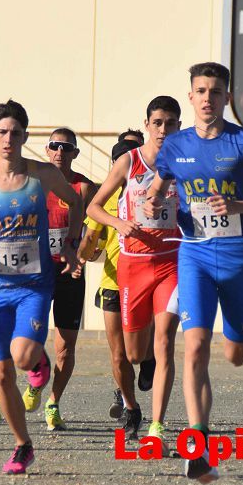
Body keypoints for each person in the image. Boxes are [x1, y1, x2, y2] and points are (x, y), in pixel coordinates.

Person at [144, 62, 243, 482]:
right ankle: (198, 442)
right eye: (201, 91)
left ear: (228, 97)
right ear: (190, 97)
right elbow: (160, 183)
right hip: (194, 256)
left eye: (215, 91)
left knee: (236, 352)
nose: (207, 98)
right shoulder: (175, 146)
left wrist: (240, 206)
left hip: (240, 257)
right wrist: (155, 200)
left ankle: (242, 339)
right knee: (193, 348)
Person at [0, 99, 82, 473]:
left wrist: (72, 245)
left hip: (34, 286)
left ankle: (39, 360)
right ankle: (22, 445)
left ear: (25, 136)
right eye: (2, 132)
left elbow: (75, 202)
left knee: (24, 357)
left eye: (16, 132)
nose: (9, 138)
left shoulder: (42, 176)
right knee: (0, 373)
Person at [87, 96, 184, 441]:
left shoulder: (185, 161)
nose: (162, 129)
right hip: (133, 264)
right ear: (147, 125)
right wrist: (117, 223)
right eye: (157, 123)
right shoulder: (130, 162)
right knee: (132, 353)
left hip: (171, 262)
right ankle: (133, 407)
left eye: (170, 123)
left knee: (164, 341)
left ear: (178, 126)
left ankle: (157, 424)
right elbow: (95, 206)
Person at [77, 137, 141, 426]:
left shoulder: (157, 191)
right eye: (122, 159)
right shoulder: (108, 196)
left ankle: (147, 364)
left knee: (141, 351)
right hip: (114, 282)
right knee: (119, 355)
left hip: (149, 282)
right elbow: (92, 239)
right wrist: (82, 257)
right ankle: (130, 406)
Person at [38, 127, 95, 431]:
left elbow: (93, 231)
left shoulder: (83, 188)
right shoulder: (33, 184)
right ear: (47, 151)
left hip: (69, 272)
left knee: (65, 348)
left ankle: (53, 402)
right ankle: (36, 376)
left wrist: (82, 256)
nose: (60, 152)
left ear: (74, 153)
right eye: (55, 146)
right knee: (28, 339)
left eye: (66, 147)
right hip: (36, 271)